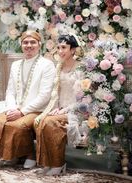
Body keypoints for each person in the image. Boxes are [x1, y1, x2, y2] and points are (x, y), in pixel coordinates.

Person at [0, 30, 56, 169]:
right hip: (16, 108)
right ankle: (10, 155)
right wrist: (12, 108)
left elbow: (45, 96)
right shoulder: (16, 65)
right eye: (25, 42)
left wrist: (22, 111)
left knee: (17, 125)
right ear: (21, 45)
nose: (29, 45)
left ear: (39, 45)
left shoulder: (47, 65)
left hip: (37, 110)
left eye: (32, 42)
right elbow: (10, 91)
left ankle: (29, 154)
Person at [34, 34, 82, 176]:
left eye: (64, 48)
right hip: (59, 109)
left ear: (73, 50)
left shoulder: (80, 68)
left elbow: (82, 98)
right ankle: (47, 163)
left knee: (50, 123)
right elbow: (55, 93)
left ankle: (58, 163)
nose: (60, 51)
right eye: (59, 47)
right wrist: (55, 108)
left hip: (76, 110)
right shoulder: (58, 67)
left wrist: (65, 109)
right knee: (42, 120)